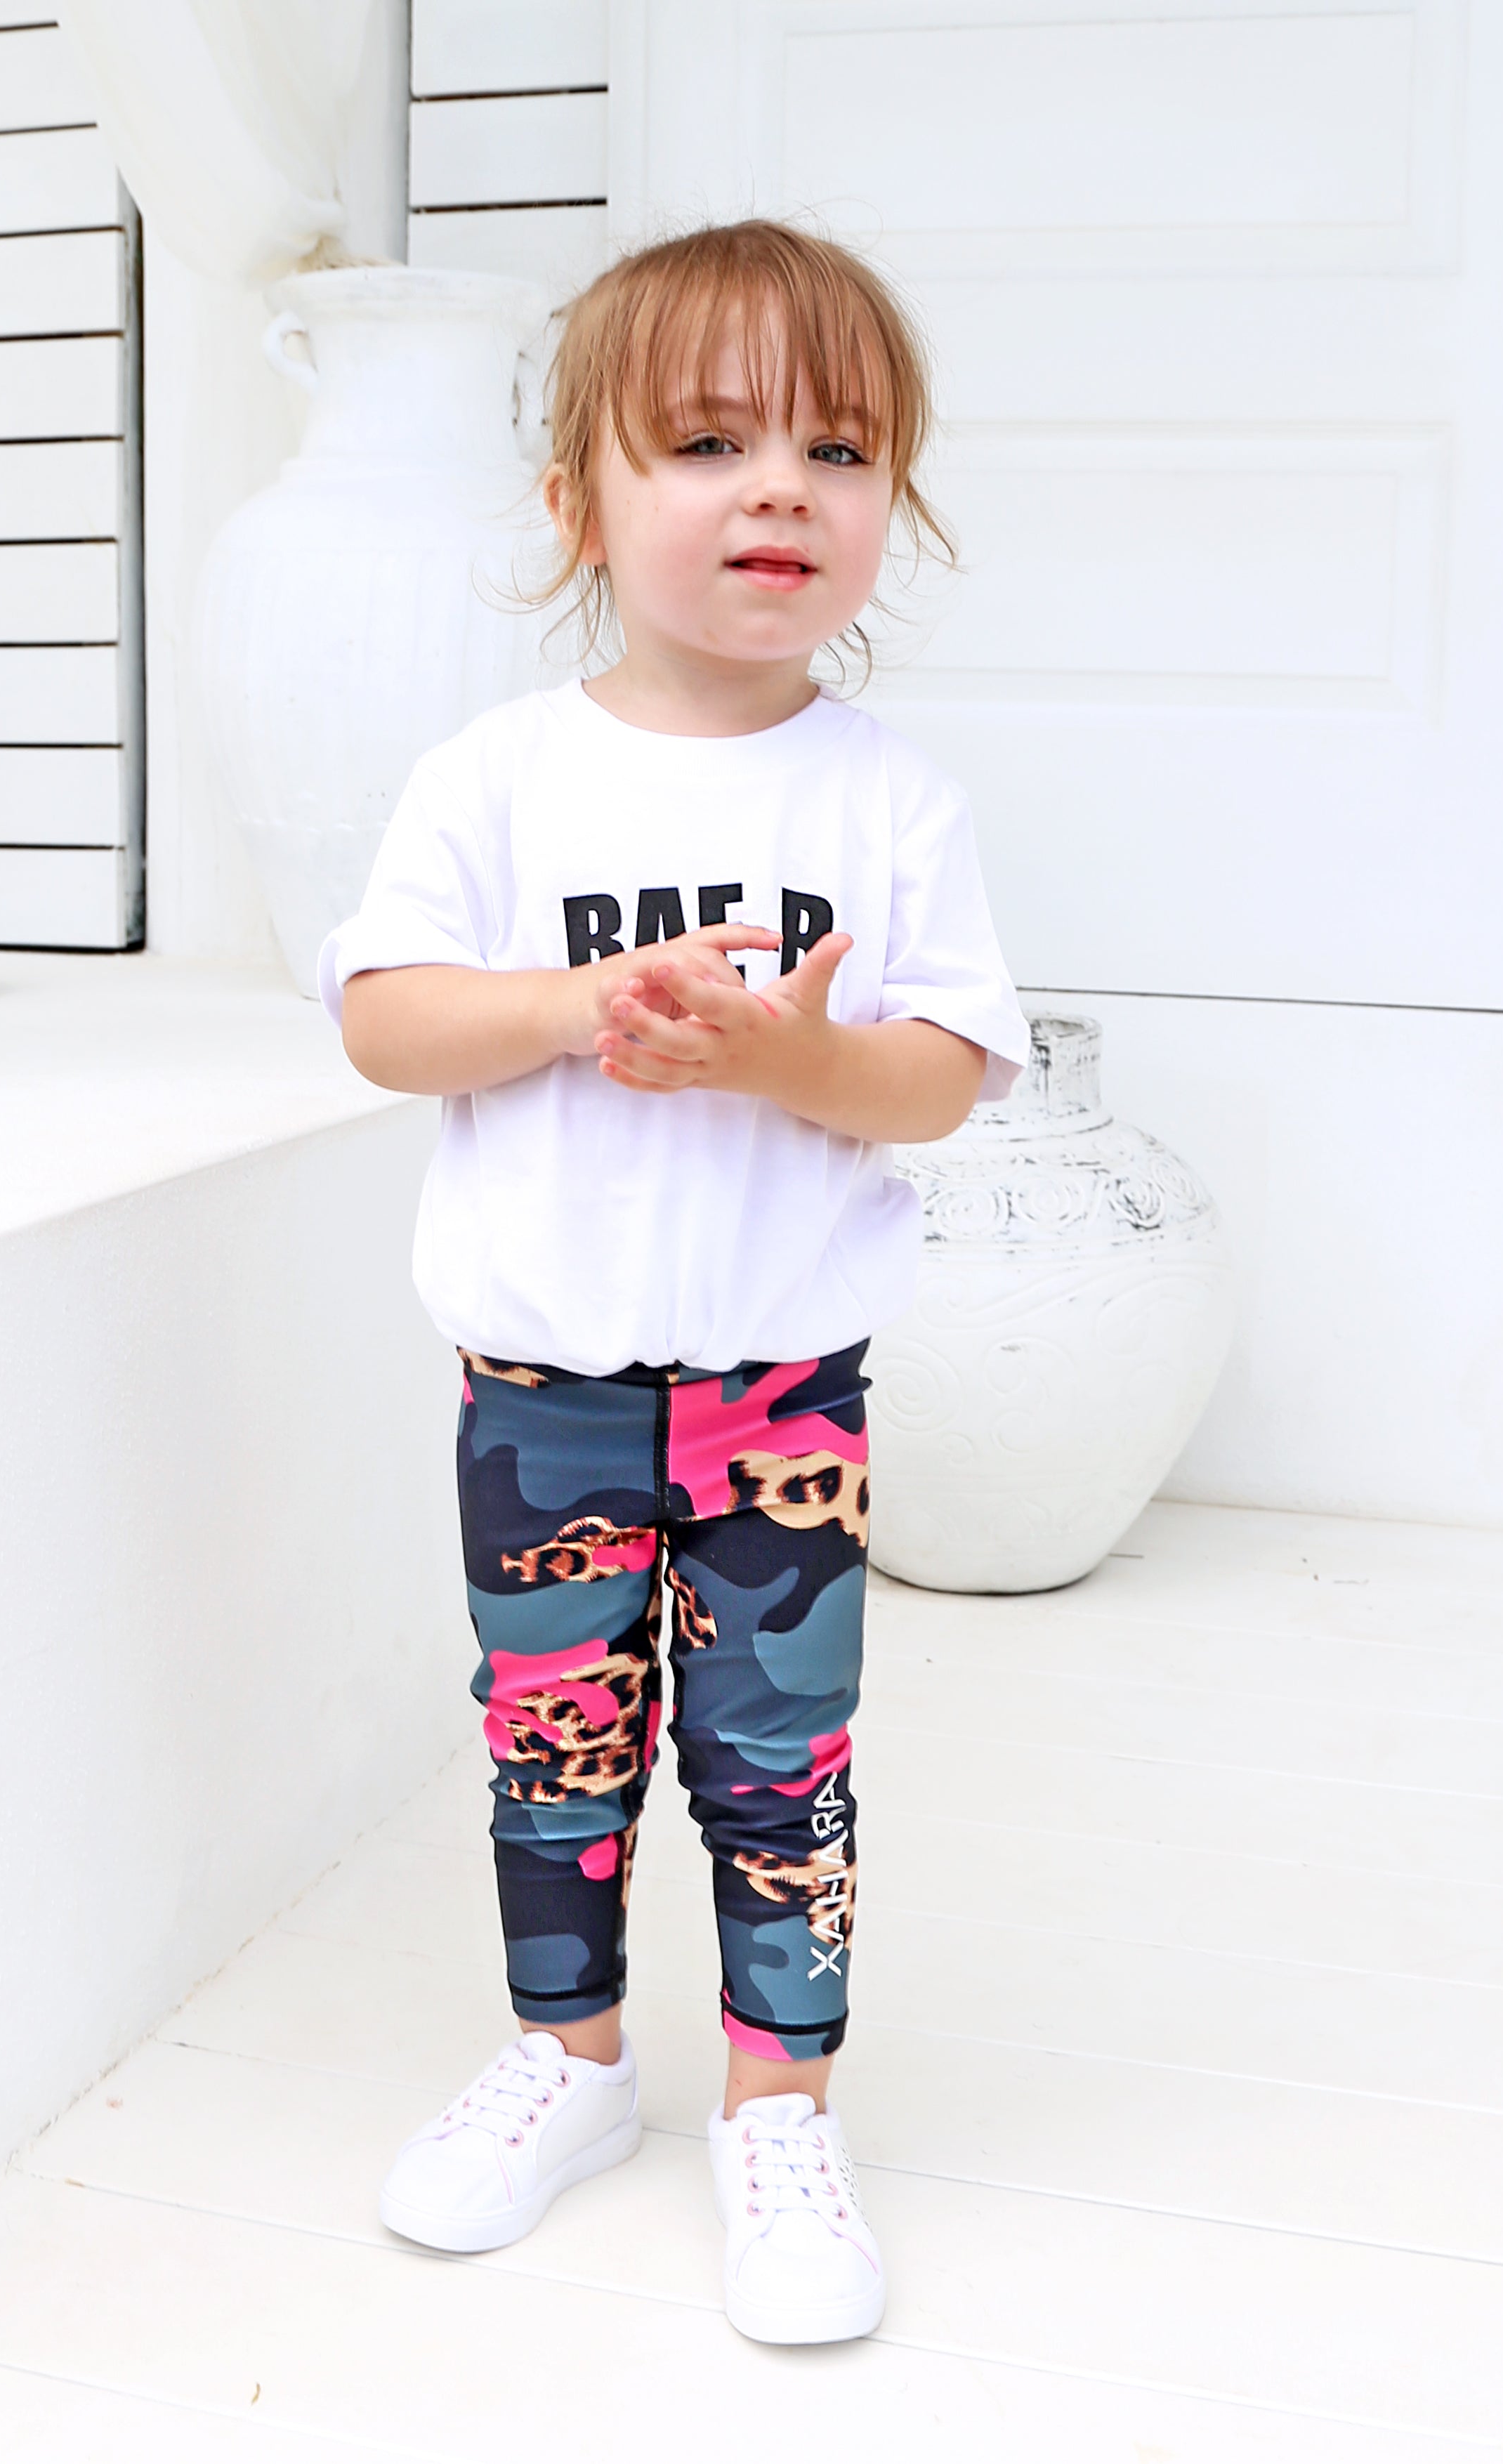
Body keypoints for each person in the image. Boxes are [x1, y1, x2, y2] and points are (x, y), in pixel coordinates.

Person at [321, 218, 1028, 2345]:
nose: (780, 488)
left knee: (779, 1761)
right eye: (710, 441)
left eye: (839, 448)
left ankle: (777, 2106)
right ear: (580, 504)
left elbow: (941, 1077)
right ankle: (569, 2059)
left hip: (781, 1394)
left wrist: (788, 1059)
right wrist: (579, 1006)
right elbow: (385, 1021)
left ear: (889, 507)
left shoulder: (890, 802)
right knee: (552, 1742)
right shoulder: (495, 779)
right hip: (540, 1386)